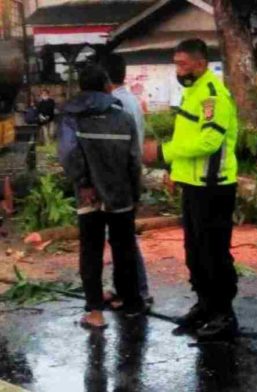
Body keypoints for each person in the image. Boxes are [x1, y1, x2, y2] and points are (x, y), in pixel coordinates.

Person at [142, 39, 239, 340]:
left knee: (214, 253)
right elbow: (187, 136)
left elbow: (208, 143)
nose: (178, 69)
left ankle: (224, 313)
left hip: (214, 186)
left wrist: (163, 153)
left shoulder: (213, 95)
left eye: (182, 64)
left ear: (199, 63)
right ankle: (205, 305)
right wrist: (175, 171)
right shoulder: (191, 92)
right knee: (195, 252)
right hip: (193, 184)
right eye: (176, 63)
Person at [58, 65, 144, 329]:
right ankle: (130, 305)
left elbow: (68, 153)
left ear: (81, 88)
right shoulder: (123, 115)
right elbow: (134, 158)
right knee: (124, 248)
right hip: (121, 194)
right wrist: (135, 192)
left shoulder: (72, 116)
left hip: (89, 196)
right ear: (106, 85)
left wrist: (83, 183)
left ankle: (95, 313)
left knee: (91, 252)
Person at [101, 54, 153, 306]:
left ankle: (139, 290)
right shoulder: (130, 99)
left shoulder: (116, 104)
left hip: (121, 178)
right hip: (130, 173)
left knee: (124, 238)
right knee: (120, 237)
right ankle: (120, 286)